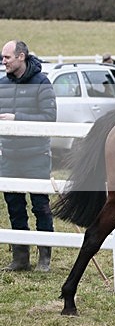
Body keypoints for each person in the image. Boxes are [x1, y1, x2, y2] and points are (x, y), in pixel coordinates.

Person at [0, 40, 57, 272]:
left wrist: (17, 118)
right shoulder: (2, 84)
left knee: (40, 206)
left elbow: (50, 118)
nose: (3, 62)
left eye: (7, 57)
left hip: (36, 155)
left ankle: (45, 257)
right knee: (14, 207)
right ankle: (20, 257)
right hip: (9, 156)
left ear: (21, 57)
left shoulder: (42, 83)